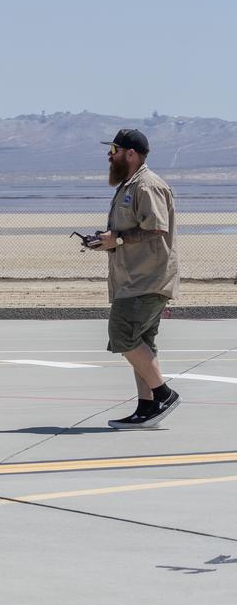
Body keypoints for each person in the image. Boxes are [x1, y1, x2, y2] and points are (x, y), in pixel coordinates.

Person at [88, 128, 181, 428]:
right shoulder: (129, 185)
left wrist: (118, 239)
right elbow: (130, 232)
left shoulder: (147, 185)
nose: (109, 155)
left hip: (146, 280)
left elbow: (156, 228)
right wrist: (107, 241)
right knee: (141, 342)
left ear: (131, 153)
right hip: (133, 278)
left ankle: (164, 394)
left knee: (122, 334)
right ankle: (147, 407)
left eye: (114, 150)